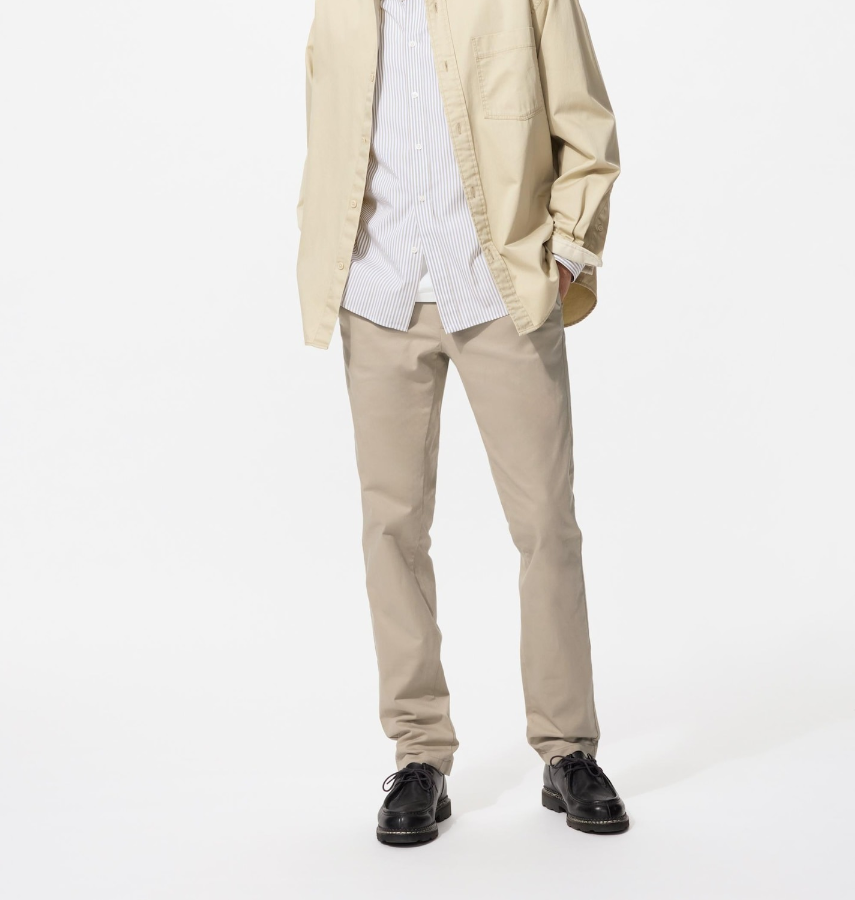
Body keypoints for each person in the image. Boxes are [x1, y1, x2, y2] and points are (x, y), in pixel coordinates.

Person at [295, 0, 629, 844]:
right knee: (392, 529)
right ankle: (419, 755)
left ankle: (568, 747)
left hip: (501, 289)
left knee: (546, 523)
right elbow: (326, 134)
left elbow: (587, 127)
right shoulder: (340, 10)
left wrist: (567, 254)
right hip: (377, 292)